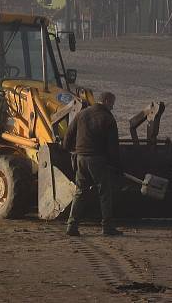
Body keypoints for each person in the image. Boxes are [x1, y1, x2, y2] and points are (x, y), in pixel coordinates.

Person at [63, 91, 122, 237]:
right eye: (112, 103)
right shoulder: (108, 118)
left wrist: (70, 150)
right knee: (104, 192)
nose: (113, 107)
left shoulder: (82, 114)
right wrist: (117, 166)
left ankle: (72, 225)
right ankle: (107, 227)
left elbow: (68, 136)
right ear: (107, 101)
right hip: (97, 160)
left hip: (80, 158)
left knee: (80, 192)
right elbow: (113, 147)